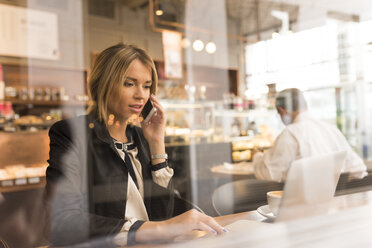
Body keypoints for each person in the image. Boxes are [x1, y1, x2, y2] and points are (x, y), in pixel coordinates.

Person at [45, 43, 226, 247]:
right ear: (103, 84)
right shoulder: (70, 133)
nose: (141, 94)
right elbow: (62, 222)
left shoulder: (141, 137)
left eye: (147, 86)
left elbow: (160, 214)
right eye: (129, 84)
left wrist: (157, 143)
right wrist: (158, 228)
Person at [253, 88, 367, 182]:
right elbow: (358, 169)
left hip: (302, 204)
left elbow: (269, 173)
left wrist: (256, 157)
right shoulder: (331, 130)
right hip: (336, 204)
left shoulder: (290, 133)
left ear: (283, 111)